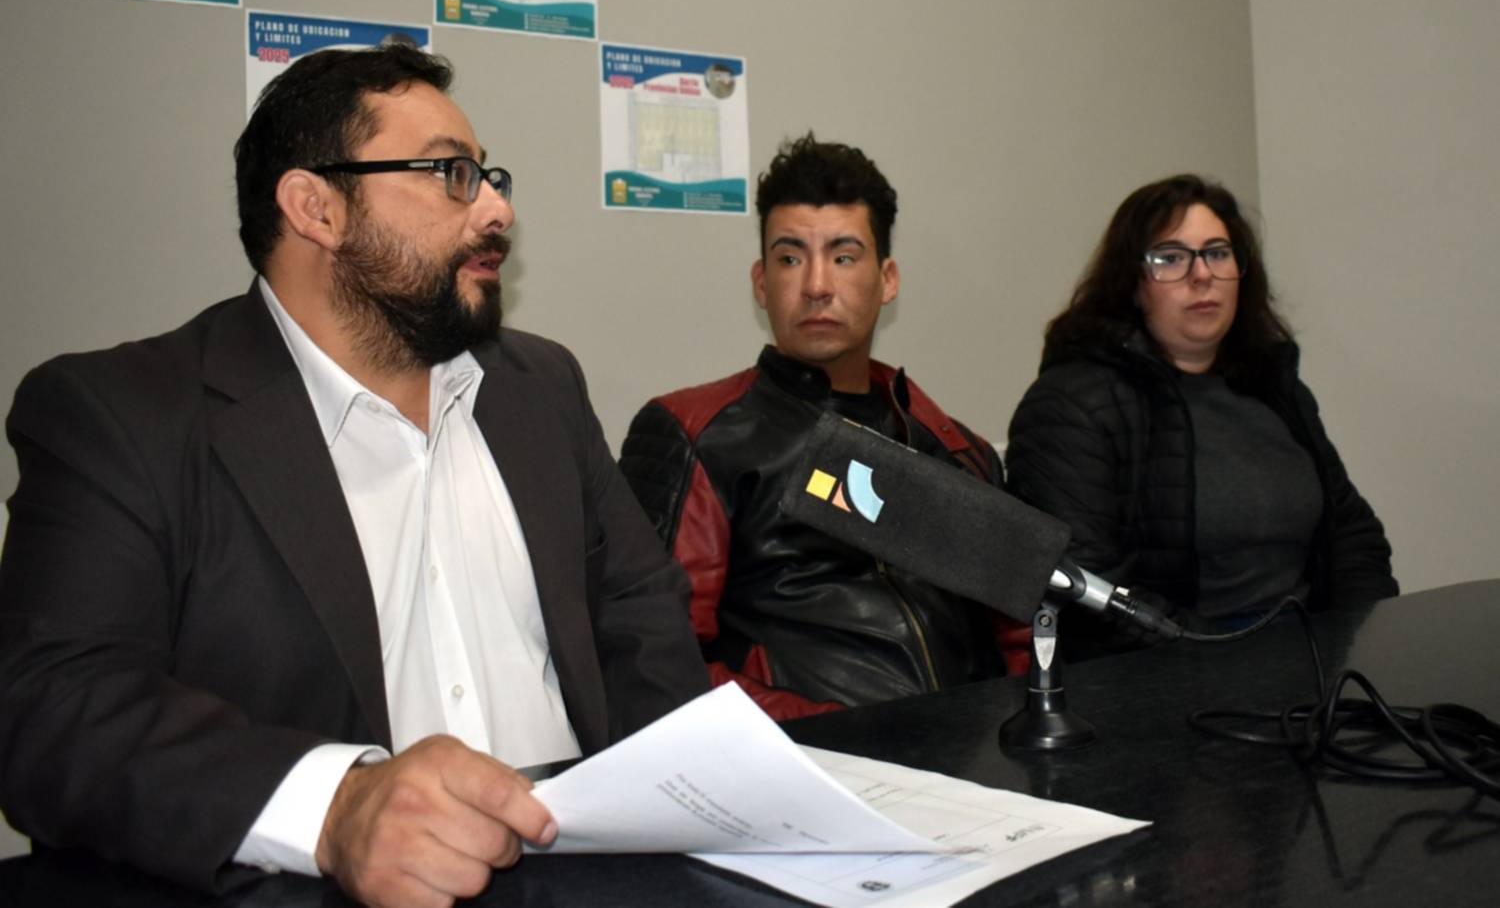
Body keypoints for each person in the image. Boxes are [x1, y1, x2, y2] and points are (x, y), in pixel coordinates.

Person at [0, 45, 708, 907]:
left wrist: (696, 811)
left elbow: (642, 619)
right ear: (316, 209)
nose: (498, 210)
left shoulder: (542, 387)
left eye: (488, 176)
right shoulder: (124, 416)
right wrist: (336, 809)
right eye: (450, 174)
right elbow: (51, 710)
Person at [618, 133, 1027, 722]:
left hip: (973, 752)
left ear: (887, 279)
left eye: (843, 256)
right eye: (790, 258)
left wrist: (1006, 738)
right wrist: (843, 735)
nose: (815, 285)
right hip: (813, 757)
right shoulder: (698, 434)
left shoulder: (953, 447)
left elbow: (1022, 639)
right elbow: (660, 662)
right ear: (761, 283)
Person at [1006, 174, 1397, 658]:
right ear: (1131, 284)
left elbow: (1353, 537)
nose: (1202, 275)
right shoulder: (1070, 404)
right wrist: (1242, 662)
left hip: (1309, 656)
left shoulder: (1274, 386)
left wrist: (1358, 641)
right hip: (1169, 674)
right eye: (1170, 258)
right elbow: (1090, 592)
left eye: (1217, 253)